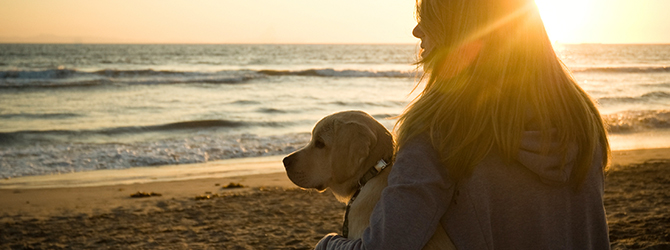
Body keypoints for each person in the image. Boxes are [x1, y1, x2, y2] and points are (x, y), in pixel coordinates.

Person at [315, 0, 611, 249]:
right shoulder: (582, 121)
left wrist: (327, 245)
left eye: (427, 17)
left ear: (459, 34)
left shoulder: (440, 134)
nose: (416, 30)